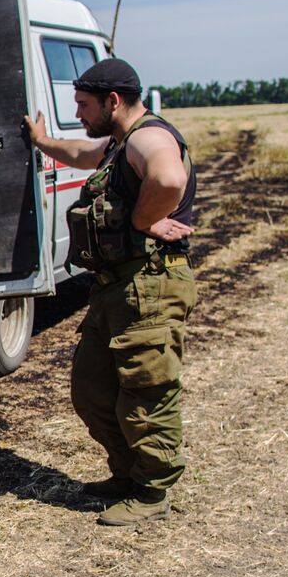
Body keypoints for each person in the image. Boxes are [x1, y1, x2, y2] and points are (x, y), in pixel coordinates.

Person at [22, 59, 198, 525]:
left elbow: (169, 178)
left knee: (145, 391)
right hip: (117, 287)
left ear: (113, 101)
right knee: (92, 389)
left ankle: (153, 490)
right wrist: (42, 142)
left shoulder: (148, 137)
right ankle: (128, 473)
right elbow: (82, 153)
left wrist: (143, 220)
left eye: (83, 105)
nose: (77, 113)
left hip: (150, 284)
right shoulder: (120, 144)